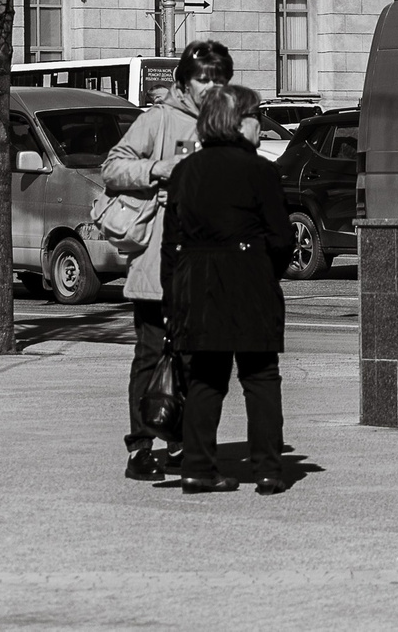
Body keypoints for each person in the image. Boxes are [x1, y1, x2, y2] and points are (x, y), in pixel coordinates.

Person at [100, 38, 232, 482]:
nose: (210, 85)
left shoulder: (226, 126)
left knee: (196, 359)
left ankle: (180, 441)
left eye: (218, 78)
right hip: (158, 262)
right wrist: (154, 170)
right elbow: (112, 167)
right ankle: (140, 447)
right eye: (202, 77)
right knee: (151, 354)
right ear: (184, 80)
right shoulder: (157, 119)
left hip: (207, 264)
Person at [162, 79, 296, 495]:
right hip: (250, 279)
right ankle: (269, 470)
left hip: (196, 283)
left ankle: (198, 468)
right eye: (256, 117)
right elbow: (281, 239)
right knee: (260, 377)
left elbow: (170, 242)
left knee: (204, 378)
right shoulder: (261, 171)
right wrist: (266, 270)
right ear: (238, 123)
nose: (260, 126)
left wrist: (173, 295)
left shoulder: (185, 171)